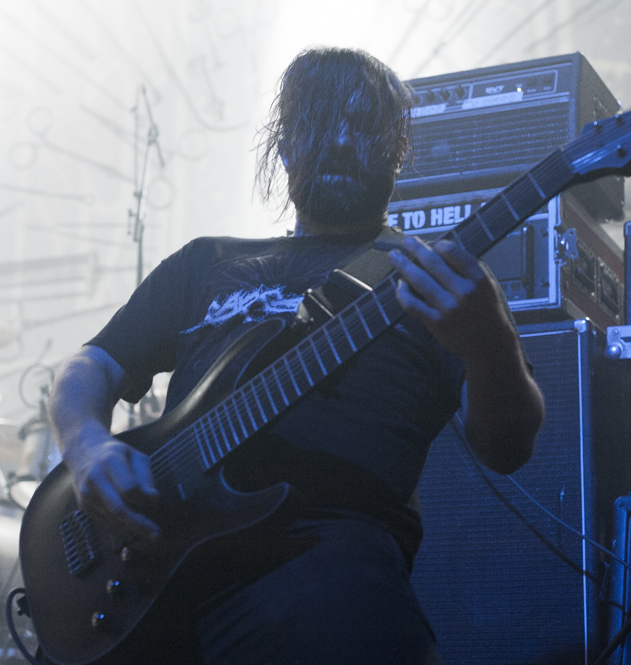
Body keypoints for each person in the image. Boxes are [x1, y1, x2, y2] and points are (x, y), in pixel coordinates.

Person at [48, 46, 544, 664]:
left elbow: (508, 449)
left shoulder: (429, 281)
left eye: (361, 125)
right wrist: (86, 446)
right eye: (317, 123)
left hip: (322, 567)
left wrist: (491, 345)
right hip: (155, 573)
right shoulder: (205, 262)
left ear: (398, 151)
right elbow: (91, 366)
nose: (338, 141)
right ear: (284, 147)